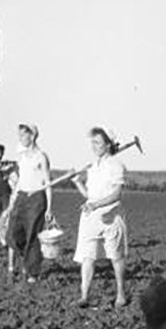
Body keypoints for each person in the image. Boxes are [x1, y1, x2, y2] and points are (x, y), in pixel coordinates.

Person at [72, 126, 129, 308]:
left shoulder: (116, 166)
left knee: (116, 256)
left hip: (111, 216)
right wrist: (78, 182)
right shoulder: (92, 167)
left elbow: (116, 194)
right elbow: (90, 195)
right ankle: (84, 296)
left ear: (108, 144)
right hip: (91, 217)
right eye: (92, 142)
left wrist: (96, 204)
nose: (93, 146)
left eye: (97, 142)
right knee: (87, 257)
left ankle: (121, 294)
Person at [6, 122, 51, 284]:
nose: (20, 138)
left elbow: (47, 182)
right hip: (21, 197)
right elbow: (18, 183)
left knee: (32, 235)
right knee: (12, 233)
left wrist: (49, 208)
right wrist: (12, 203)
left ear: (32, 136)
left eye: (23, 135)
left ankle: (32, 272)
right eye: (19, 135)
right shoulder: (22, 157)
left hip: (37, 198)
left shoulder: (41, 156)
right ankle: (27, 262)